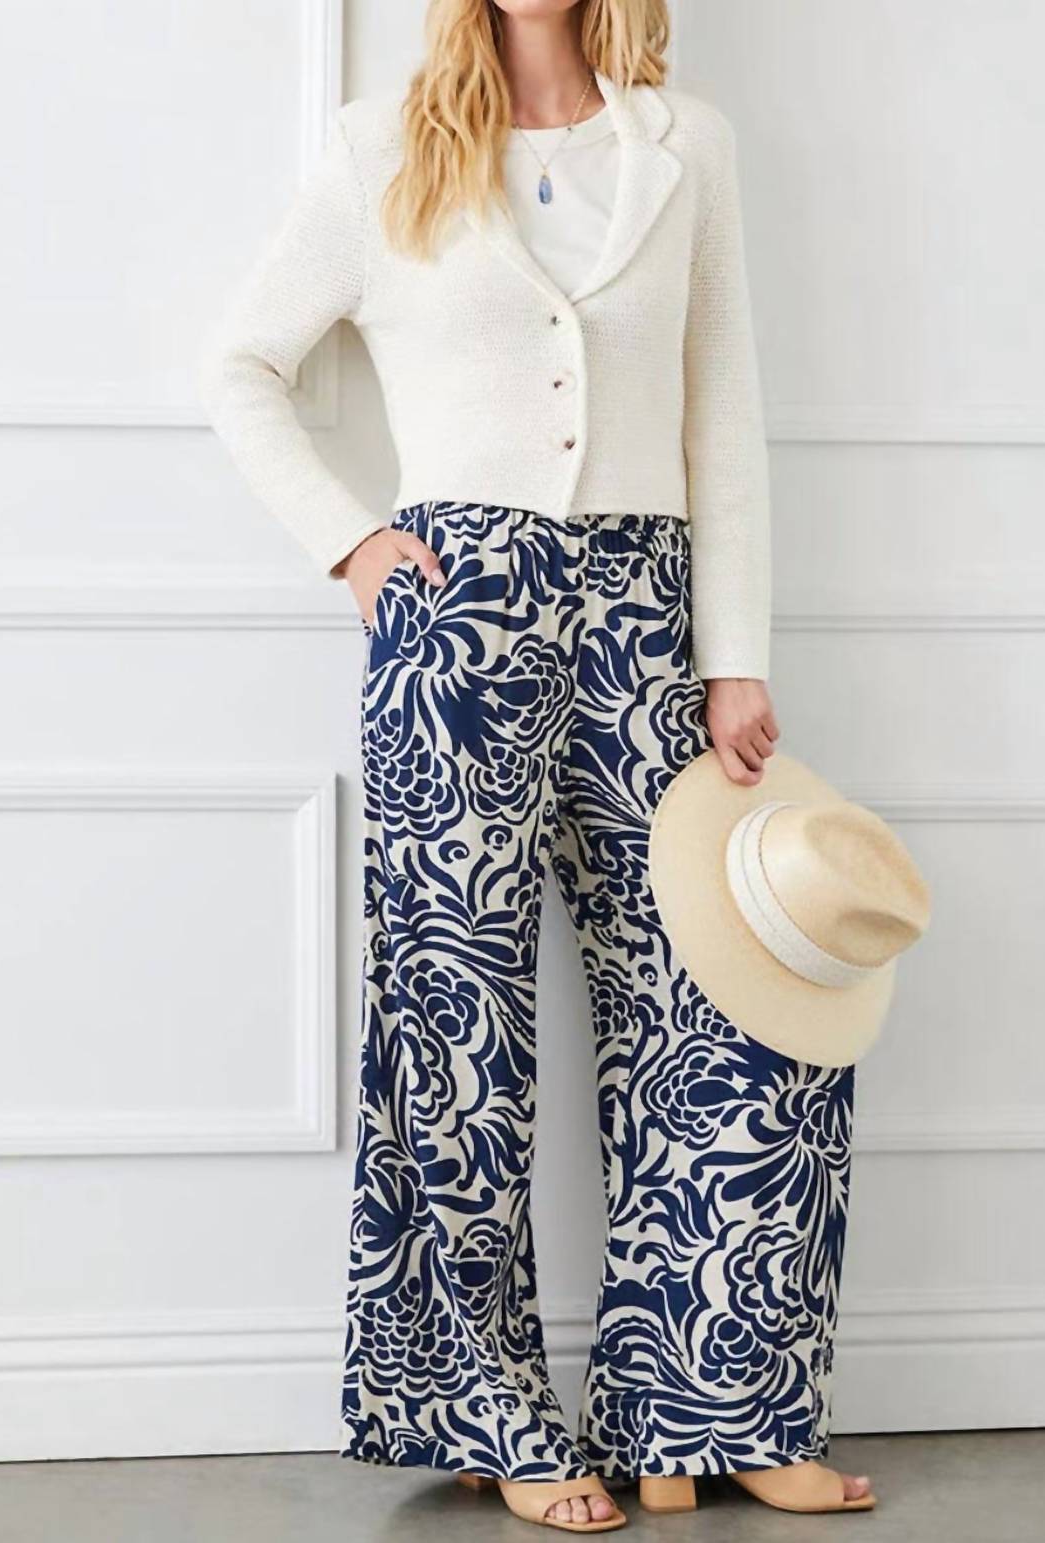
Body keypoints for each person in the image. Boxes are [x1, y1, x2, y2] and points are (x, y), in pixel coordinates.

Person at [199, 0, 870, 1531]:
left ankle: (718, 1405)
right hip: (456, 620)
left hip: (649, 614)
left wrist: (735, 655)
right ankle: (490, 1413)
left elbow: (723, 409)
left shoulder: (685, 147)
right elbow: (241, 364)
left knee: (729, 1002)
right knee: (458, 1018)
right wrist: (353, 544)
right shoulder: (383, 149)